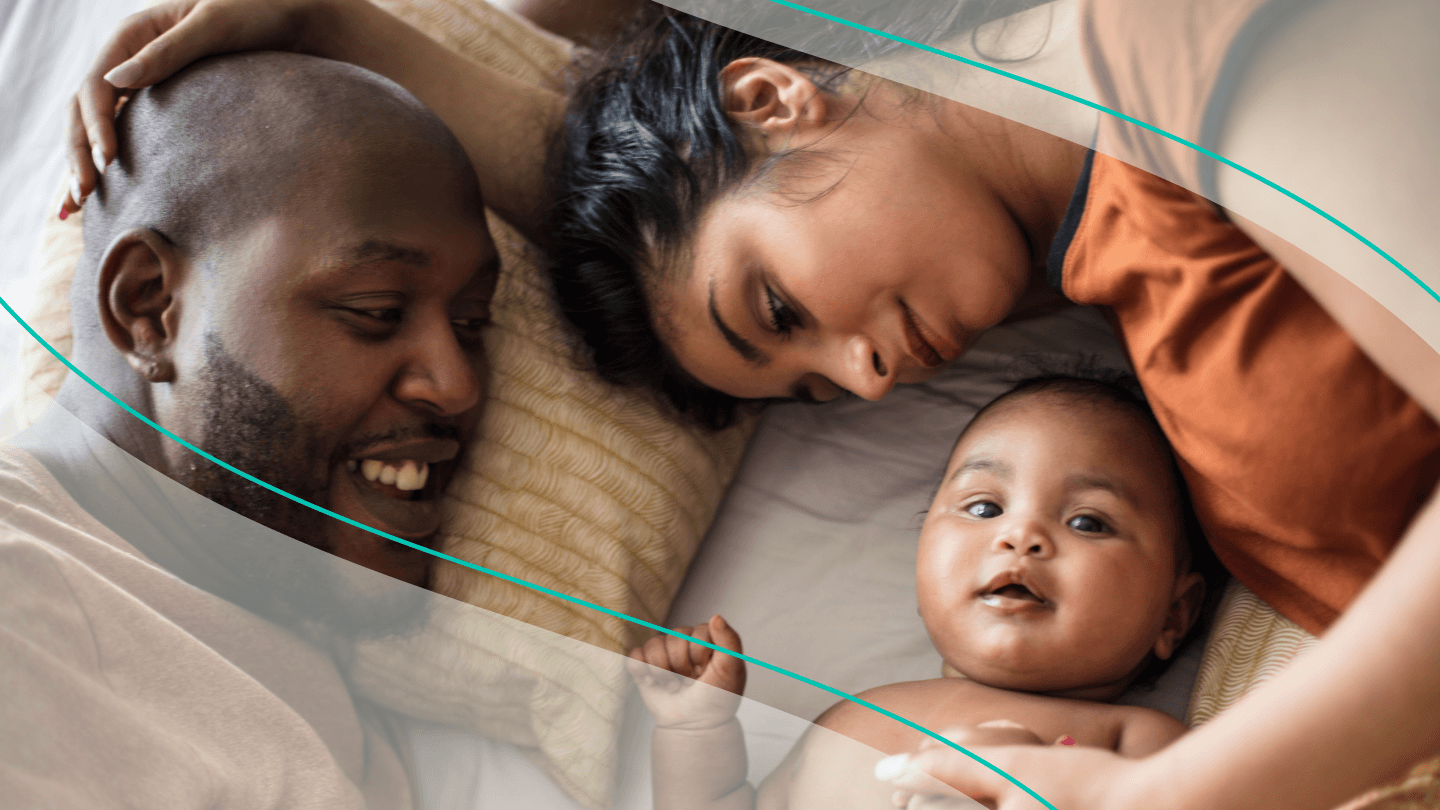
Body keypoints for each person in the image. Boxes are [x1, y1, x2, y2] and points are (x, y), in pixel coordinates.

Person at [61, 0, 1440, 807]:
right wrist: (332, 23)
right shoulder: (1089, 258)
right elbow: (654, 193)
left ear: (778, 93)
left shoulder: (1169, 47)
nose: (867, 375)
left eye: (783, 318)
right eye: (813, 382)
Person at [4, 50, 498, 807]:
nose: (458, 384)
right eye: (376, 310)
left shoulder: (287, 630)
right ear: (148, 308)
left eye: (471, 322)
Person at [628, 374, 1221, 810]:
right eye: (984, 506)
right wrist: (695, 732)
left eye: (1089, 522)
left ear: (1174, 614)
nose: (1021, 536)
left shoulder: (1139, 742)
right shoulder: (851, 716)